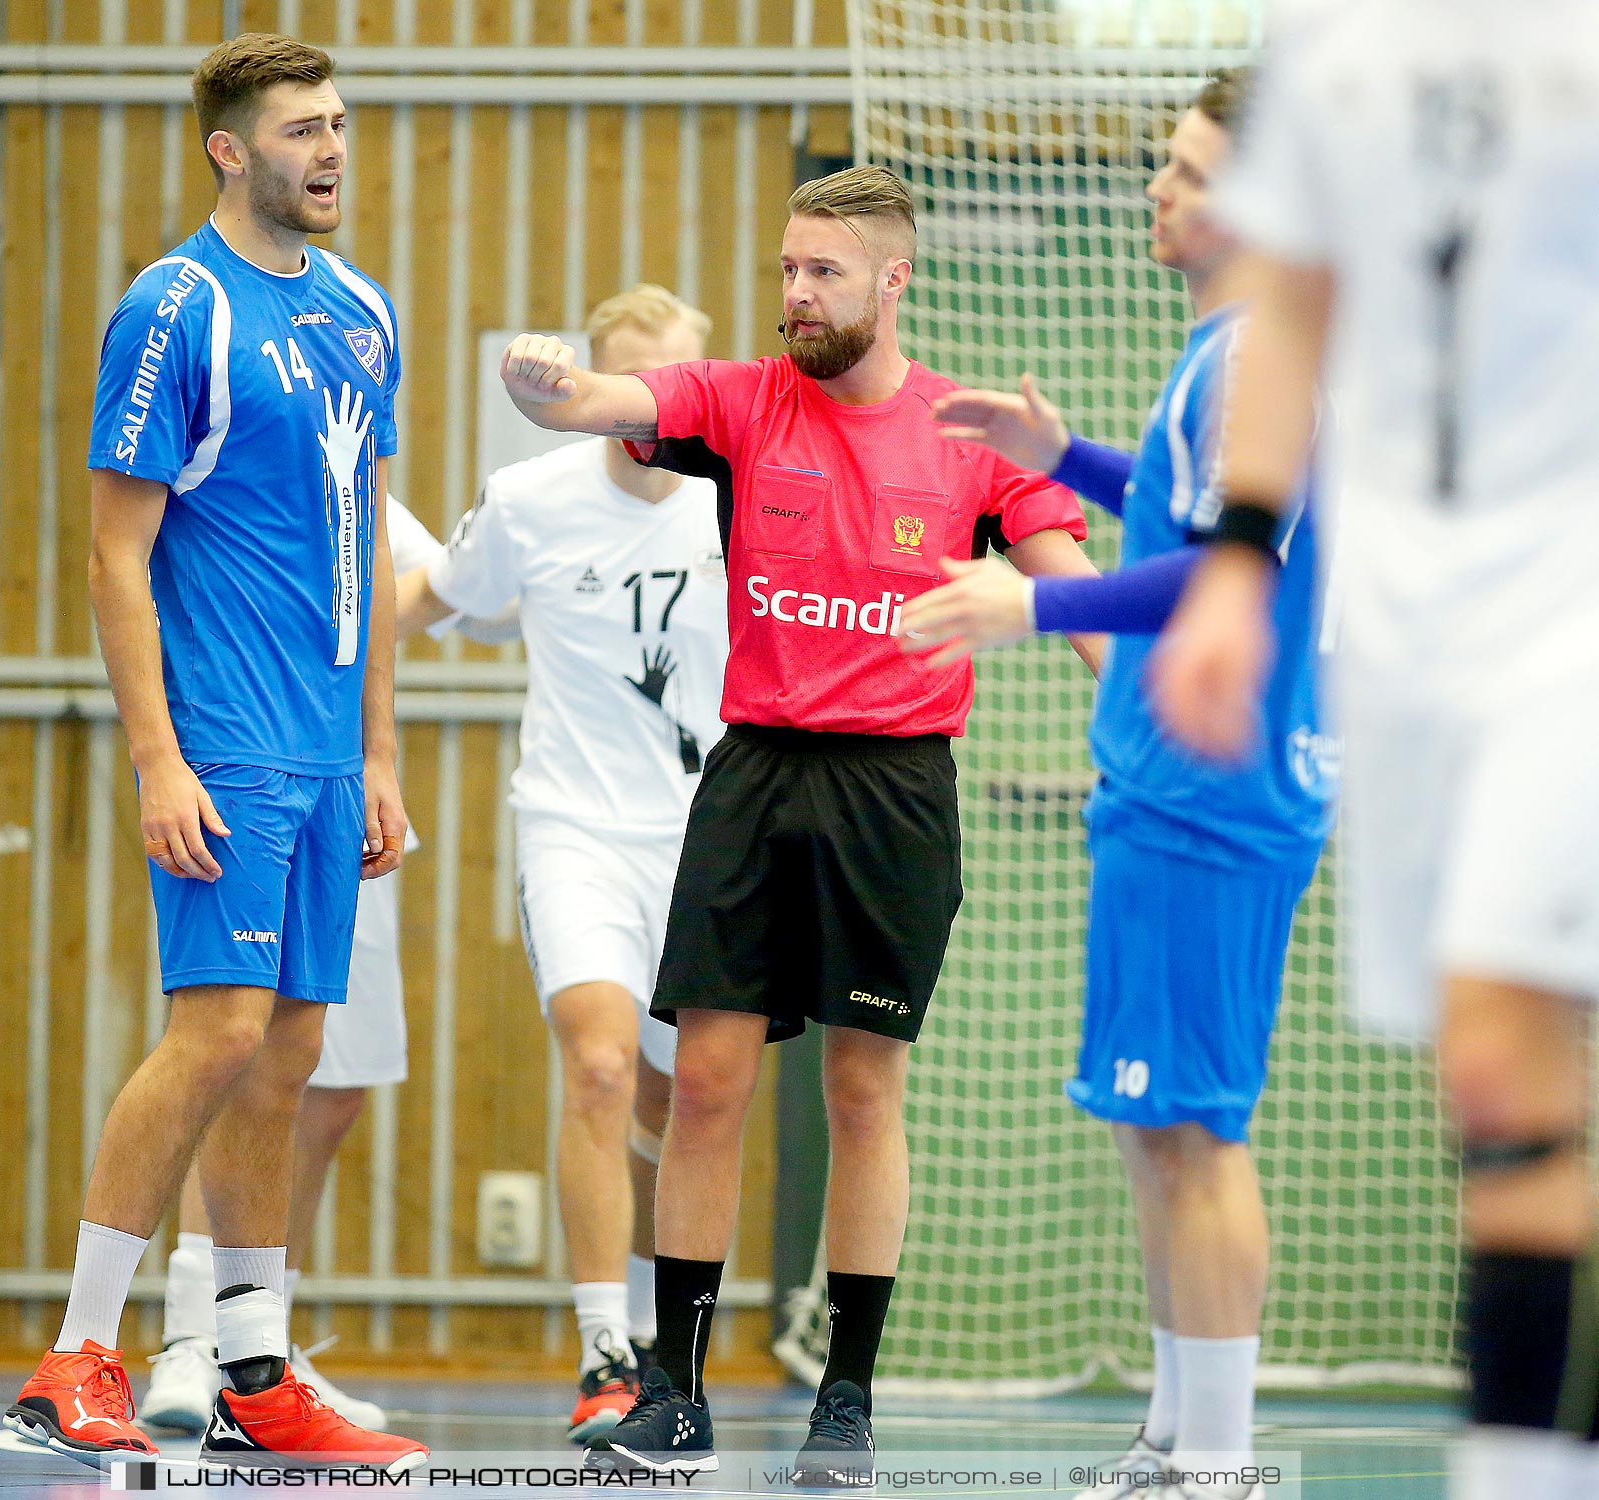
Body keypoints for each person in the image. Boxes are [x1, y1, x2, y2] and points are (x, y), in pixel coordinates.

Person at [499, 167, 1098, 1480]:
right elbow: (606, 400)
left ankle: (849, 1395)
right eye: (785, 269)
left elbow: (1078, 599)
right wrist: (542, 382)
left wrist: (1151, 721)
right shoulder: (738, 397)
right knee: (705, 1080)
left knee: (861, 1088)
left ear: (894, 281)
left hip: (895, 790)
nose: (795, 295)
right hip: (755, 773)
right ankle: (675, 1383)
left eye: (822, 272)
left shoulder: (967, 431)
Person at [1148, 9, 1599, 1499]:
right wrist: (1231, 563)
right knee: (1490, 1069)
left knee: (1516, 1037)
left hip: (1569, 593)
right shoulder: (1340, 55)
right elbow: (1295, 311)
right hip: (1416, 629)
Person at [900, 71, 1333, 1500]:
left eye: (1192, 172)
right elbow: (1178, 498)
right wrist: (1062, 458)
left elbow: (1229, 562)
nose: (1160, 189)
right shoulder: (1221, 356)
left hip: (1213, 792)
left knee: (1196, 1128)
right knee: (1158, 1122)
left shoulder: (1259, 349)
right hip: (1175, 788)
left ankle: (1217, 1461)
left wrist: (1033, 609)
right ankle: (1175, 1435)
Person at [1, 33, 425, 1476]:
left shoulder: (363, 311)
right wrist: (153, 758)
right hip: (226, 738)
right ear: (227, 149)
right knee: (221, 1031)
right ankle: (75, 1355)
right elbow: (117, 552)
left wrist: (377, 746)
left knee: (291, 1049)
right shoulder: (171, 309)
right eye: (302, 129)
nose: (331, 151)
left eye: (342, 125)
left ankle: (253, 1366)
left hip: (323, 743)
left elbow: (362, 537)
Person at [394, 284, 726, 1445]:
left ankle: (653, 1329)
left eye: (664, 389)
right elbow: (422, 602)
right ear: (586, 392)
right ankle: (601, 1349)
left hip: (709, 840)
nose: (640, 413)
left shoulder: (745, 502)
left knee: (680, 1098)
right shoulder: (531, 502)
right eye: (617, 389)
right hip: (576, 831)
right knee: (596, 1065)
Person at [142, 497, 515, 1436]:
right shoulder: (239, 467)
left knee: (329, 1079)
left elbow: (476, 607)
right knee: (234, 1054)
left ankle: (256, 1336)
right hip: (252, 775)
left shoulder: (364, 478)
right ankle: (192, 1334)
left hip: (346, 795)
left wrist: (497, 542)